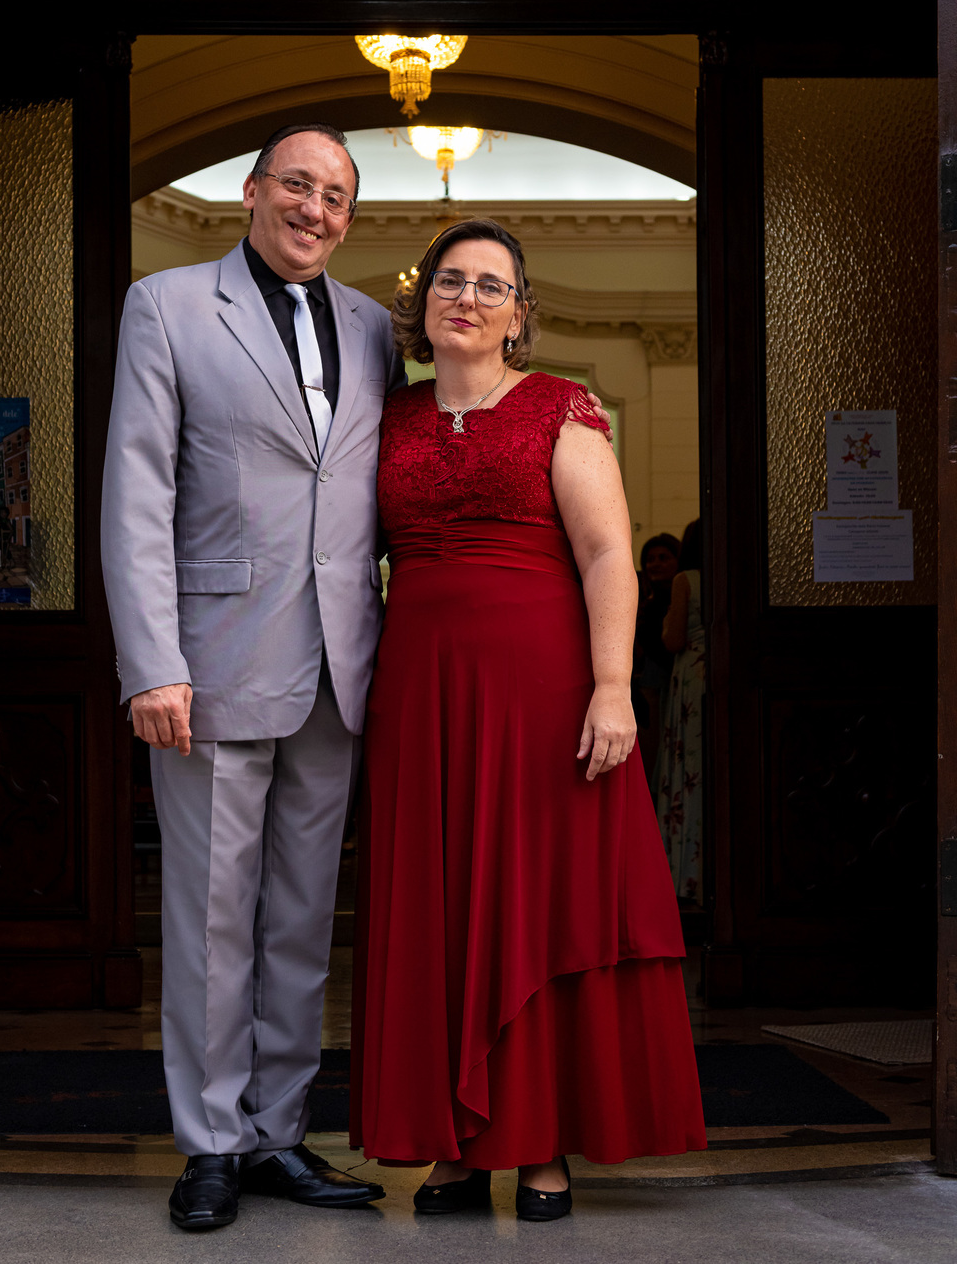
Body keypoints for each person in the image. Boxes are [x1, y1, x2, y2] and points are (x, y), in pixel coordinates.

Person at [351, 218, 705, 1222]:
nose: (467, 296)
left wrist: (610, 685)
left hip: (546, 690)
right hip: (419, 695)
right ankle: (452, 1149)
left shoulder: (561, 409)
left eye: (491, 285)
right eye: (449, 281)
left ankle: (539, 1142)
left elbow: (605, 555)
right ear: (422, 307)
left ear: (520, 315)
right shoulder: (390, 416)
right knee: (441, 905)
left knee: (535, 903)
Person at [99, 123, 407, 1232]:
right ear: (251, 190)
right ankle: (211, 1142)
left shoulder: (376, 327)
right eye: (299, 185)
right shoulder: (169, 304)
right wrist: (153, 662)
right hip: (210, 665)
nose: (316, 210)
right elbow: (135, 492)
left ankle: (279, 1132)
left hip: (339, 665)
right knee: (212, 917)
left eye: (337, 196)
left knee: (298, 919)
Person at [656, 518, 706, 905]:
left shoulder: (685, 580)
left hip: (691, 675)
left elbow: (673, 640)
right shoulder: (737, 574)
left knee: (687, 769)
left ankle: (685, 876)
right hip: (719, 673)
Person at [633, 532, 681, 781]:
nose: (656, 564)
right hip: (651, 691)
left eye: (664, 557)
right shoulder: (642, 601)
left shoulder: (685, 599)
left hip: (674, 685)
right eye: (650, 559)